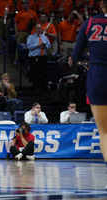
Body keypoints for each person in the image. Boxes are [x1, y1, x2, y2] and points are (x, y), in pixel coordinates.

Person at [72, 1, 107, 181]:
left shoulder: (90, 23)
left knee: (105, 132)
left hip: (98, 73)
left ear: (102, 5)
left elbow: (76, 56)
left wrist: (92, 57)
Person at [27, 23, 51, 92]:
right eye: (38, 28)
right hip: (34, 58)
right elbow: (29, 46)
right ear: (35, 29)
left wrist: (45, 46)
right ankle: (36, 88)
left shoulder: (45, 37)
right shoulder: (30, 37)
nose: (40, 30)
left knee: (44, 73)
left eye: (41, 28)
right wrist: (37, 45)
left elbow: (49, 45)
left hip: (43, 57)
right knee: (35, 73)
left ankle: (44, 87)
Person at [14, 0, 38, 64]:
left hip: (30, 33)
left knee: (30, 46)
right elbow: (16, 23)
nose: (23, 5)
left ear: (28, 4)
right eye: (22, 4)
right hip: (21, 32)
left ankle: (29, 59)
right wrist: (16, 32)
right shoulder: (19, 13)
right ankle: (16, 59)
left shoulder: (33, 13)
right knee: (18, 45)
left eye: (24, 4)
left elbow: (36, 23)